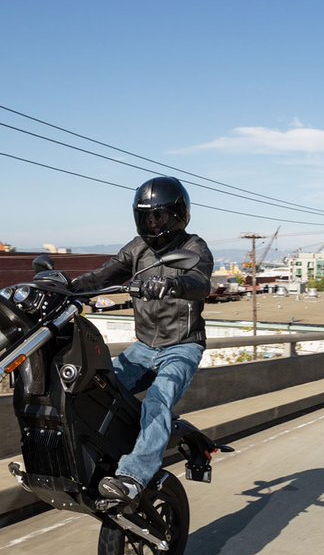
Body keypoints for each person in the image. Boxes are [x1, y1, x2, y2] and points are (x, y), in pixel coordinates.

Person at [68, 176, 214, 505]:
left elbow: (199, 281)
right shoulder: (137, 248)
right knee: (93, 386)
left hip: (182, 347)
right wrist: (68, 286)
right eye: (146, 216)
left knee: (157, 400)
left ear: (178, 214)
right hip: (143, 347)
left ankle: (134, 476)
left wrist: (171, 284)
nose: (151, 223)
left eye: (158, 216)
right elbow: (104, 274)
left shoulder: (194, 248)